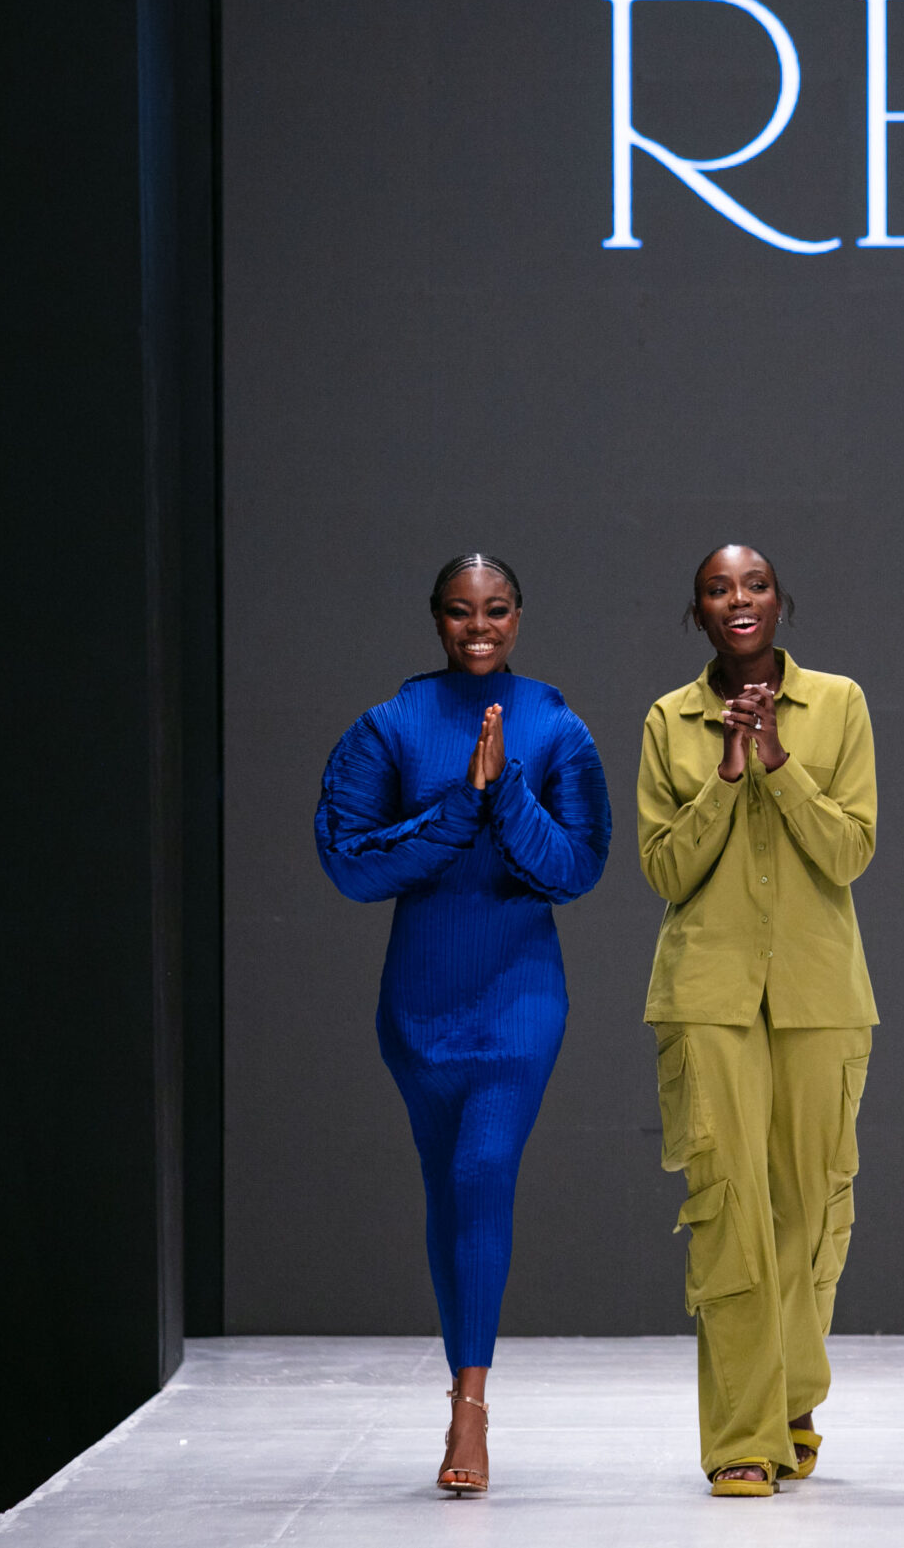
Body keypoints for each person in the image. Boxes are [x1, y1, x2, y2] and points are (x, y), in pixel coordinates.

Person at [314, 554, 611, 1494]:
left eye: (496, 609)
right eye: (459, 610)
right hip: (421, 1000)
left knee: (482, 1170)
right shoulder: (390, 725)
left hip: (518, 995)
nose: (478, 626)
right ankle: (462, 1381)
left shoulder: (555, 725)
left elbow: (577, 867)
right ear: (436, 618)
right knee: (448, 1192)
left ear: (519, 616)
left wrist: (505, 793)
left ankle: (470, 1410)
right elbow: (350, 861)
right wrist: (462, 805)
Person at [637, 544, 878, 1497]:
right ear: (697, 611)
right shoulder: (670, 720)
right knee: (729, 1211)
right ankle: (742, 1435)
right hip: (708, 995)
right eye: (717, 589)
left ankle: (793, 1395)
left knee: (812, 1210)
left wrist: (778, 759)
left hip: (821, 995)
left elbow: (850, 851)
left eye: (755, 584)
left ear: (780, 600)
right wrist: (729, 772)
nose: (738, 599)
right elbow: (664, 868)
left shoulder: (840, 704)